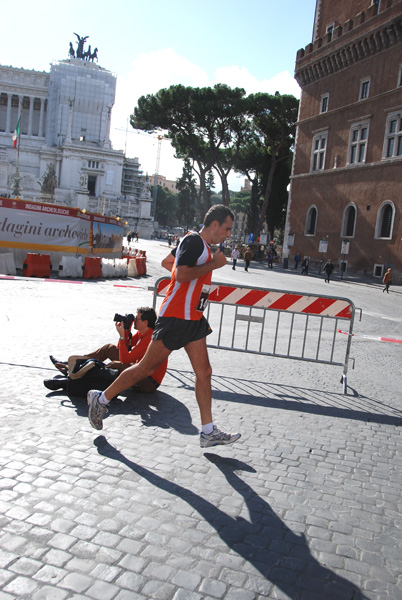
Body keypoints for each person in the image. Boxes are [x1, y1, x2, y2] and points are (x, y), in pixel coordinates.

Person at [87, 204, 241, 448]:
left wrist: (193, 282)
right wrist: (211, 267)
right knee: (144, 368)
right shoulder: (193, 242)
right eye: (227, 228)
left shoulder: (196, 245)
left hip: (192, 318)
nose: (229, 234)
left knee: (205, 372)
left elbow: (168, 262)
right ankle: (101, 399)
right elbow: (179, 273)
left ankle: (208, 431)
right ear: (215, 225)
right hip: (176, 317)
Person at [45, 307, 167, 394]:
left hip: (148, 383)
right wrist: (126, 330)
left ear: (145, 322)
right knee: (109, 348)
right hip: (139, 369)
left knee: (116, 366)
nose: (134, 321)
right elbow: (125, 347)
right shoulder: (143, 332)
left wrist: (122, 336)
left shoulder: (150, 339)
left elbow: (125, 358)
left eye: (137, 319)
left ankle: (69, 383)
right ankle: (76, 363)